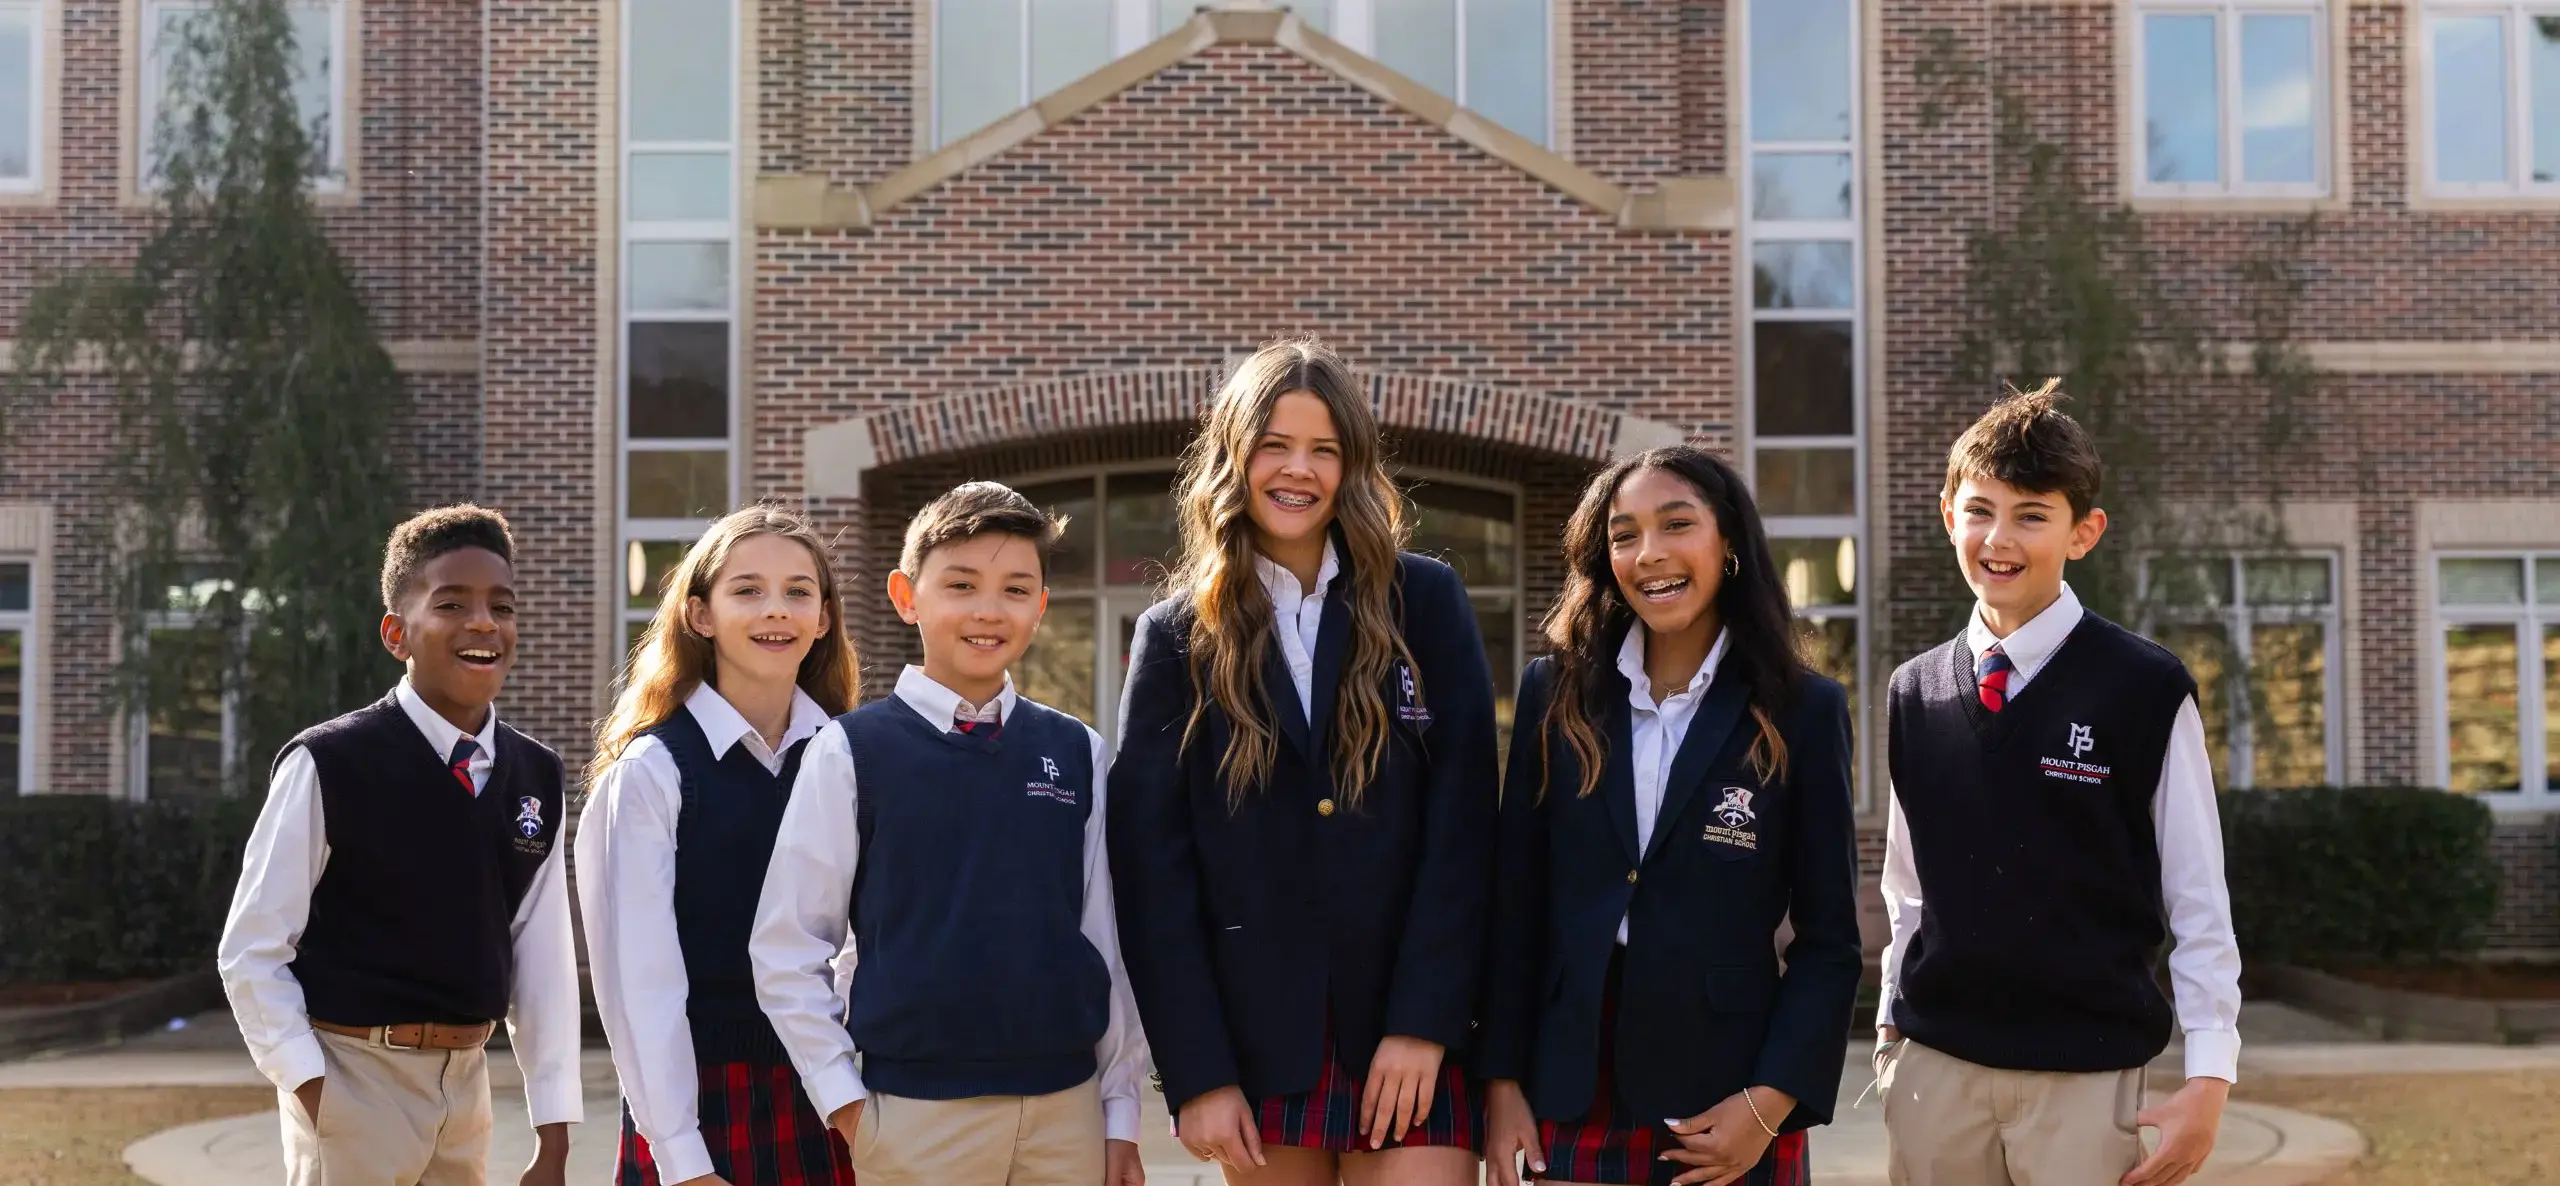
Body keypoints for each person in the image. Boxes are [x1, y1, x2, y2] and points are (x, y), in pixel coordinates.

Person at [1108, 337, 1498, 1186]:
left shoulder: (1426, 601)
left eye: (1324, 449)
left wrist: (1426, 1021)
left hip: (1408, 1031)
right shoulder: (1175, 636)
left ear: (1353, 465)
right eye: (1275, 446)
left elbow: (1463, 829)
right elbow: (1151, 875)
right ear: (1234, 456)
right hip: (1256, 1048)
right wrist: (1199, 1073)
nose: (1299, 470)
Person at [1877, 380, 2241, 1186]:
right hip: (1936, 1072)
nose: (1998, 538)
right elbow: (1907, 887)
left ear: (2084, 532)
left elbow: (2198, 896)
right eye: (1980, 510)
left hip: (2085, 1079)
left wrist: (2211, 1073)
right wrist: (1889, 1031)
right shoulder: (1914, 690)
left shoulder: (2145, 688)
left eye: (2031, 514)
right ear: (1948, 515)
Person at [1479, 447, 1861, 1186]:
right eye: (1624, 535)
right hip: (1569, 1080)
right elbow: (1514, 909)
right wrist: (1500, 1086)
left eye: (1676, 525)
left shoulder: (1803, 710)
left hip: (1729, 1093)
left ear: (1729, 544)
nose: (1649, 554)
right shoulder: (1553, 692)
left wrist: (1769, 1104)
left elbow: (1830, 941)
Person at [752, 481, 1148, 1186]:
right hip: (914, 1121)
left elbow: (1106, 944)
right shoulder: (851, 751)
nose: (988, 610)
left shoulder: (1077, 750)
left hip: (1068, 1116)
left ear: (1041, 606)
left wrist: (1118, 1116)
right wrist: (846, 1105)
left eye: (1016, 589)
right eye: (961, 584)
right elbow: (788, 946)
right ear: (907, 596)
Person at [216, 504, 580, 1186]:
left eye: (502, 606)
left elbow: (543, 964)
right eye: (451, 604)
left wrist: (553, 1136)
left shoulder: (536, 776)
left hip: (467, 1086)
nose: (483, 623)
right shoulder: (329, 762)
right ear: (396, 633)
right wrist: (318, 1092)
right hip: (354, 1076)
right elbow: (251, 951)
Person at [579, 505, 862, 1186]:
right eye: (747, 590)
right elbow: (637, 986)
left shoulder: (856, 756)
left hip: (836, 1097)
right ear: (700, 615)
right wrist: (680, 1155)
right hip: (701, 1107)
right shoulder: (652, 772)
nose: (777, 610)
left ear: (823, 618)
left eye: (799, 591)